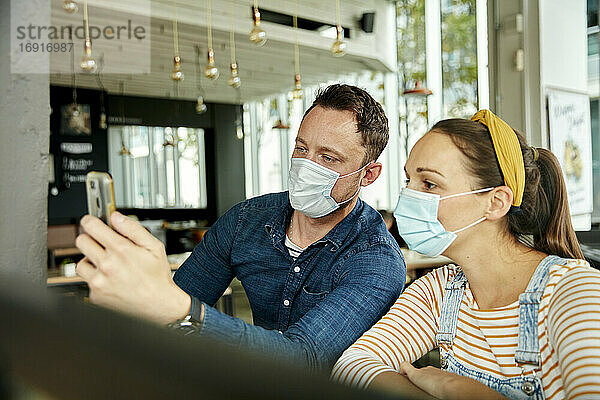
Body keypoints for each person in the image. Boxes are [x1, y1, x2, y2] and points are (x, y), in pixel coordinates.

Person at [75, 84, 406, 371]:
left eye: (328, 158)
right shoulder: (246, 221)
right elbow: (179, 297)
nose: (306, 167)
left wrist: (177, 309)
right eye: (302, 149)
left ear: (368, 174)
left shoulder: (376, 260)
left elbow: (301, 358)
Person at [332, 110, 600, 399]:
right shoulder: (440, 291)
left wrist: (468, 393)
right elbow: (352, 367)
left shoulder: (575, 291)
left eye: (429, 184)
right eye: (409, 181)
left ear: (496, 203)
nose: (408, 196)